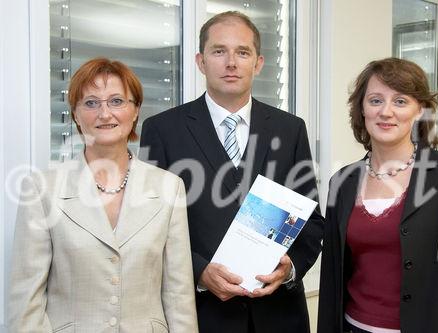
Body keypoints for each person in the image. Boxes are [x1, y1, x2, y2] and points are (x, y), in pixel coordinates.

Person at [140, 11, 324, 333]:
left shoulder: (291, 129)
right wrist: (199, 272)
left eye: (242, 52)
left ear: (259, 63)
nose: (231, 63)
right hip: (202, 317)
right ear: (200, 61)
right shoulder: (162, 131)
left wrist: (290, 268)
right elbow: (149, 226)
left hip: (279, 318)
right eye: (219, 51)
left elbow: (312, 222)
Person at [8, 58, 198, 332]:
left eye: (117, 101)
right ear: (75, 113)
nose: (104, 113)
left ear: (135, 111)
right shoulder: (41, 190)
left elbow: (178, 296)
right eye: (91, 103)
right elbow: (26, 303)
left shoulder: (169, 187)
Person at [317, 58, 438, 333]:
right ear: (361, 109)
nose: (386, 112)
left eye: (400, 101)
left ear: (420, 111)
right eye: (375, 100)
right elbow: (332, 279)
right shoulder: (341, 183)